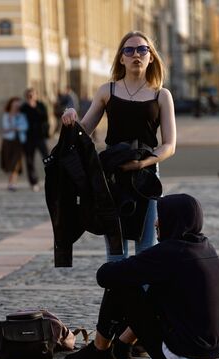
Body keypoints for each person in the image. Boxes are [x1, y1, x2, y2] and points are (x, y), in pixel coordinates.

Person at [64, 193, 219, 359]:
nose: (156, 223)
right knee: (158, 286)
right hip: (215, 355)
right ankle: (122, 346)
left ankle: (100, 350)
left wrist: (134, 267)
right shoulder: (204, 246)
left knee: (120, 284)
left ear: (173, 220)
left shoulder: (170, 252)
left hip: (183, 357)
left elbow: (105, 276)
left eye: (162, 217)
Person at [61, 30, 177, 262]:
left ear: (151, 57)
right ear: (121, 58)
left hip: (146, 174)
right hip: (111, 175)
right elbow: (84, 132)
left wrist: (144, 162)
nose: (136, 54)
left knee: (146, 248)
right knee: (116, 250)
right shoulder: (108, 91)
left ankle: (143, 298)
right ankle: (117, 298)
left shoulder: (161, 95)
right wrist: (70, 115)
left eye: (142, 49)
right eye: (129, 50)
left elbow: (170, 145)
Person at [20, 88, 50, 192]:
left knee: (47, 158)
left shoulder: (41, 105)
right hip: (28, 138)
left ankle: (52, 179)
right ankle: (34, 182)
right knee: (29, 160)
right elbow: (21, 121)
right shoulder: (23, 108)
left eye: (32, 95)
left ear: (36, 95)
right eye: (29, 95)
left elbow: (45, 118)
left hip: (40, 136)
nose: (31, 97)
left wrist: (34, 106)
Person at [0, 97, 28, 191]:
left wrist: (14, 127)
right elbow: (5, 128)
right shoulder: (6, 115)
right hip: (8, 141)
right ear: (11, 104)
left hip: (18, 141)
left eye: (18, 104)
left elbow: (24, 126)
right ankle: (11, 183)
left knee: (15, 163)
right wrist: (14, 125)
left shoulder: (21, 115)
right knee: (8, 164)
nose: (16, 106)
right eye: (15, 104)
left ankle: (12, 183)